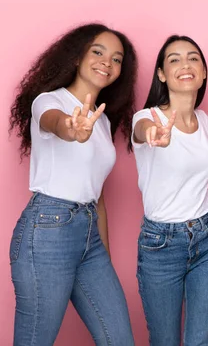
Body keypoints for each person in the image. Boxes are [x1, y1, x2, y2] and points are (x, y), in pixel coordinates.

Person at [8, 23, 137, 346]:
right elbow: (54, 122)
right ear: (76, 57)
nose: (107, 62)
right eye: (98, 52)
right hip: (48, 230)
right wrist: (71, 127)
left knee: (118, 338)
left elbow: (99, 195)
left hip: (89, 236)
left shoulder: (103, 120)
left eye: (117, 59)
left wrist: (103, 254)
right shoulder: (49, 102)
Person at [132, 35, 208, 346]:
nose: (185, 65)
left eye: (193, 58)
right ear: (161, 74)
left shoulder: (205, 120)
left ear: (203, 72)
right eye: (174, 59)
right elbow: (141, 130)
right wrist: (151, 133)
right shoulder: (147, 118)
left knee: (202, 340)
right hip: (161, 244)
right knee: (164, 341)